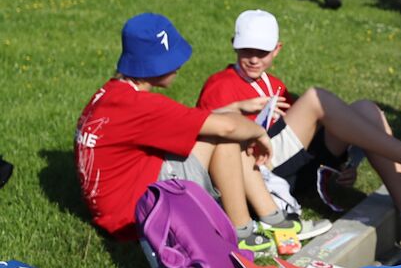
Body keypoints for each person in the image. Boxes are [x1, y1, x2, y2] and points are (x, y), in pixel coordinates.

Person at [197, 10, 401, 246]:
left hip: (283, 168)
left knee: (365, 109)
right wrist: (237, 110)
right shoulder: (219, 84)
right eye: (247, 51)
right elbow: (206, 145)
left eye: (262, 52)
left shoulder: (274, 83)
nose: (254, 59)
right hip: (253, 173)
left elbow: (298, 137)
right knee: (315, 98)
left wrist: (342, 166)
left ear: (277, 49)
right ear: (234, 45)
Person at [74, 13, 288, 252]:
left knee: (219, 129)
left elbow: (191, 121)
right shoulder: (143, 106)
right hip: (134, 219)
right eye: (171, 60)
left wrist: (234, 108)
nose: (178, 66)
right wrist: (259, 133)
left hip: (115, 209)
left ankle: (267, 218)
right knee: (227, 138)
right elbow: (226, 127)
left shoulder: (114, 94)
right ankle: (242, 232)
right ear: (153, 65)